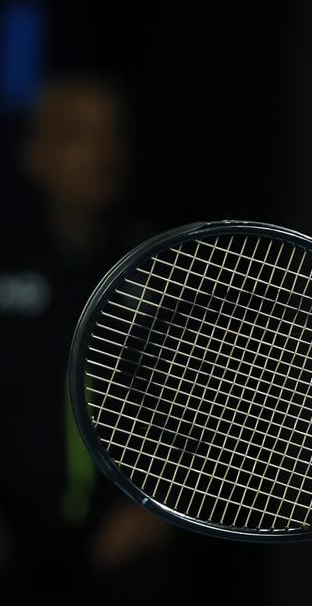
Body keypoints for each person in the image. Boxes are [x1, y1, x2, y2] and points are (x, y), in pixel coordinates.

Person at [0, 74, 174, 604]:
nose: (102, 153)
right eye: (78, 134)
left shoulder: (162, 265)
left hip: (122, 550)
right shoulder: (9, 261)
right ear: (35, 153)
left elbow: (197, 402)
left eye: (113, 135)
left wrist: (155, 503)